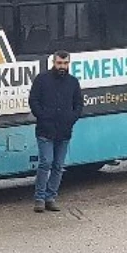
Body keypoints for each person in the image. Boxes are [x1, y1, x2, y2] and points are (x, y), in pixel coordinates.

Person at [28, 51, 84, 213]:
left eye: (65, 63)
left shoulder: (73, 82)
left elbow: (78, 104)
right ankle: (39, 199)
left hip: (64, 131)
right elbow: (33, 100)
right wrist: (43, 116)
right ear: (53, 63)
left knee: (58, 166)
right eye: (59, 63)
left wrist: (71, 118)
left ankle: (50, 197)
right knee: (46, 163)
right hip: (45, 130)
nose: (62, 66)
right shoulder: (42, 79)